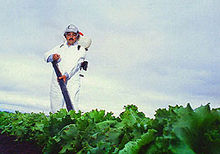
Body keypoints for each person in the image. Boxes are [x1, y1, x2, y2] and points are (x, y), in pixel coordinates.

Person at [44, 24, 92, 113]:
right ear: (65, 36)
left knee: (72, 104)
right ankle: (56, 124)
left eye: (74, 35)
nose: (71, 37)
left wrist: (66, 75)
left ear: (77, 37)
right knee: (55, 104)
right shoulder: (59, 47)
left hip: (72, 81)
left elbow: (76, 64)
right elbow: (45, 55)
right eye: (69, 34)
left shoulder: (80, 49)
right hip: (57, 80)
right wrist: (52, 57)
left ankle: (73, 125)